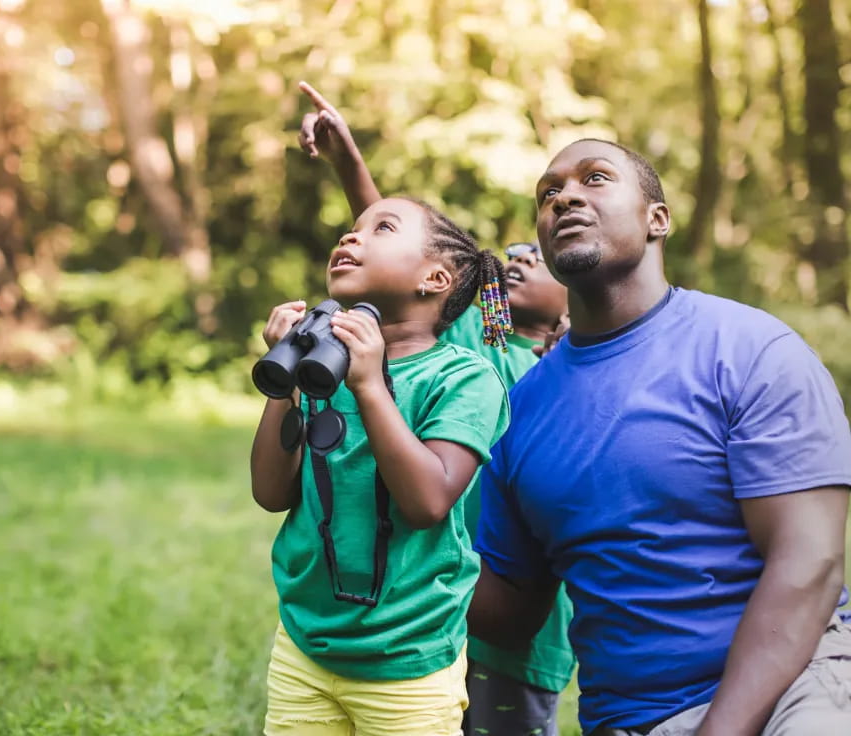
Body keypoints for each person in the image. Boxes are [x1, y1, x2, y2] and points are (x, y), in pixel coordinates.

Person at [467, 137, 851, 736]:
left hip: (796, 687)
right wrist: (384, 515)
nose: (565, 197)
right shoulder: (519, 410)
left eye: (595, 179)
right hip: (631, 720)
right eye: (549, 193)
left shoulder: (750, 350)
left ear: (657, 219)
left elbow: (811, 563)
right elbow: (512, 612)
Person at [296, 81, 576, 736]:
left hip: (520, 621)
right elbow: (407, 267)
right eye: (516, 253)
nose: (522, 255)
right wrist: (350, 167)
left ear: (577, 298)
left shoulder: (567, 372)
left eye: (542, 258)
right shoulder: (480, 338)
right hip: (435, 595)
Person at [251, 195, 512, 735]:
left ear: (435, 279)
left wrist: (370, 384)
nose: (351, 237)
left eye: (382, 228)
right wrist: (283, 379)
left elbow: (427, 501)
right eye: (351, 228)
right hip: (307, 642)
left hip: (407, 657)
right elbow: (271, 492)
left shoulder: (464, 379)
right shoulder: (321, 365)